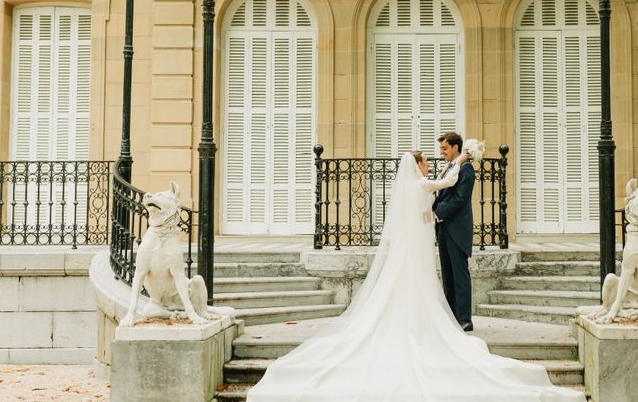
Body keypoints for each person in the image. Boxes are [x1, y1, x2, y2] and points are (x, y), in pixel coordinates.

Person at [246, 151, 585, 402]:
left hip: (418, 241)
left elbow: (442, 192)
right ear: (419, 165)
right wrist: (464, 159)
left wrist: (454, 174)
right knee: (420, 281)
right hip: (419, 243)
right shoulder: (420, 180)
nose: (429, 165)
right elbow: (448, 182)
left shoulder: (412, 182)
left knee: (412, 282)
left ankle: (418, 318)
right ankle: (425, 321)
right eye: (426, 162)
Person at [432, 132, 475, 331]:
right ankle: (451, 315)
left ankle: (465, 319)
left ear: (456, 147)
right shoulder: (449, 167)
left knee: (459, 274)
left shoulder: (466, 169)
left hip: (457, 228)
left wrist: (437, 213)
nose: (442, 153)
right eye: (441, 149)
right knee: (447, 274)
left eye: (445, 148)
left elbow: (460, 198)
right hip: (443, 227)